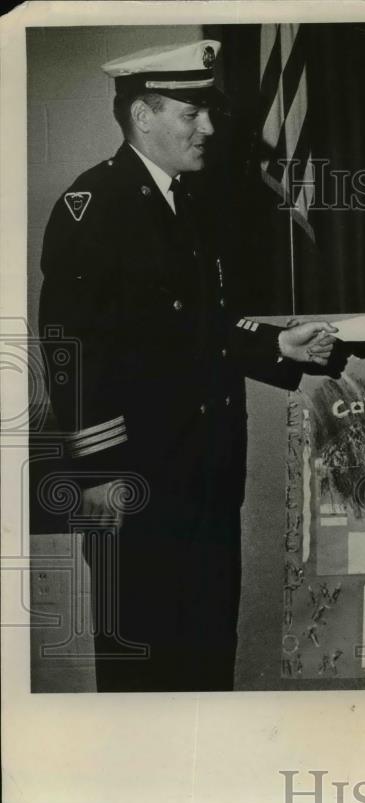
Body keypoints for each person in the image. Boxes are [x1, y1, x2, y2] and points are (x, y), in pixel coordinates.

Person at [38, 40, 337, 692]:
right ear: (142, 116)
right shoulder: (93, 207)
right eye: (190, 112)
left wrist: (277, 347)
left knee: (206, 659)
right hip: (138, 484)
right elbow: (70, 351)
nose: (208, 126)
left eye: (208, 111)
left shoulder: (193, 204)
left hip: (205, 474)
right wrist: (96, 472)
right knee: (144, 666)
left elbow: (195, 330)